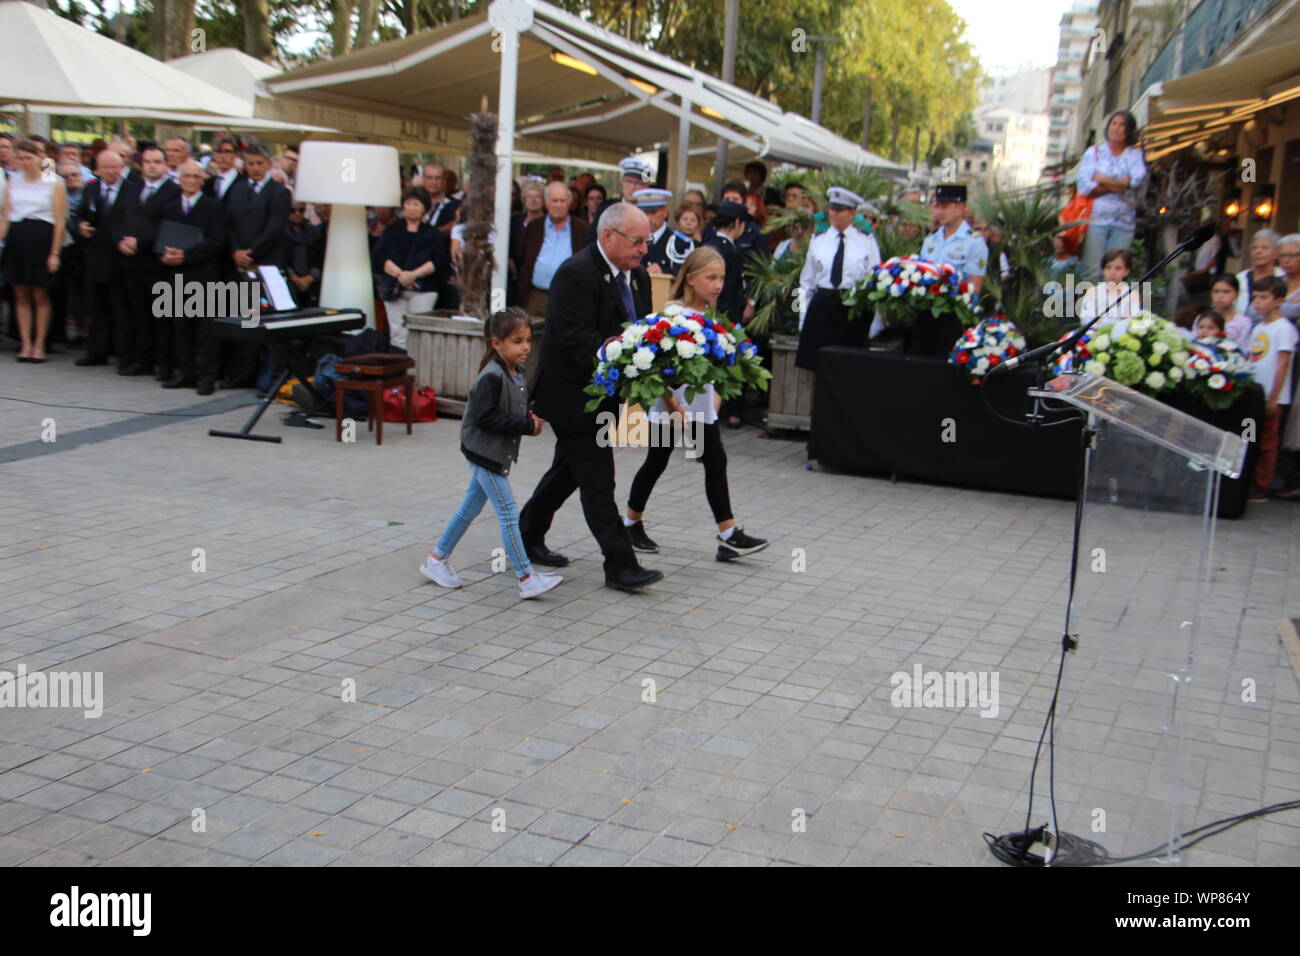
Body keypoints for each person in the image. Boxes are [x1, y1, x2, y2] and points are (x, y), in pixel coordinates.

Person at [519, 202, 664, 592]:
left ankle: (527, 532)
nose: (643, 249)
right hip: (573, 396)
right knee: (598, 480)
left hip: (608, 394)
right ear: (607, 236)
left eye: (646, 241)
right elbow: (576, 339)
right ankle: (620, 564)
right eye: (637, 241)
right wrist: (624, 362)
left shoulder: (637, 277)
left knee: (568, 472)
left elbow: (642, 330)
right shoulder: (575, 274)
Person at [623, 246, 769, 561]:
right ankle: (631, 523)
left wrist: (713, 402)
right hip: (672, 407)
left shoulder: (713, 318)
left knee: (714, 461)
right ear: (690, 279)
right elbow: (656, 368)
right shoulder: (673, 315)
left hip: (700, 409)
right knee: (658, 460)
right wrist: (674, 407)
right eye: (710, 277)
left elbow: (719, 368)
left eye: (722, 278)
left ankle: (728, 534)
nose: (718, 285)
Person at [420, 308, 563, 600]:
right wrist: (525, 425)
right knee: (509, 513)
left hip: (492, 454)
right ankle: (526, 577)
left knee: (470, 508)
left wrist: (529, 417)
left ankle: (436, 561)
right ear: (496, 343)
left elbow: (510, 408)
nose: (525, 347)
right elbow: (486, 419)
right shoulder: (492, 376)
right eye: (517, 341)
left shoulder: (515, 370)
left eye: (527, 340)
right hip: (484, 454)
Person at [222, 144, 290, 388]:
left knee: (266, 321)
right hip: (239, 264)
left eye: (260, 164)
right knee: (243, 320)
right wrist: (235, 251)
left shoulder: (279, 192)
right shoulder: (237, 190)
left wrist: (250, 253)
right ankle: (241, 373)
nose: (255, 169)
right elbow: (228, 224)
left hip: (266, 265)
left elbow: (275, 228)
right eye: (250, 164)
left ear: (269, 164)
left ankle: (269, 376)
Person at [157, 160, 228, 392]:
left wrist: (186, 255)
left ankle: (206, 377)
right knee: (181, 327)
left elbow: (217, 241)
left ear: (202, 180)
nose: (190, 181)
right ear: (178, 179)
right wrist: (165, 255)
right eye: (186, 176)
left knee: (206, 330)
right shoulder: (169, 206)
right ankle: (185, 373)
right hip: (176, 275)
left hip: (204, 275)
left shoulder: (213, 206)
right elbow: (162, 238)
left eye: (195, 177)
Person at [795, 186, 881, 374]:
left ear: (852, 213)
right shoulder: (818, 240)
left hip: (852, 310)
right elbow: (805, 284)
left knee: (849, 370)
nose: (834, 214)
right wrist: (802, 317)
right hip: (822, 309)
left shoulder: (866, 241)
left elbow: (876, 282)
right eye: (832, 209)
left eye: (840, 210)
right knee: (818, 368)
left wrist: (876, 322)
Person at [0, 140, 66, 363]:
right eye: (20, 158)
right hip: (18, 236)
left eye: (29, 158)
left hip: (42, 236)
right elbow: (6, 214)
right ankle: (25, 343)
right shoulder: (13, 180)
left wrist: (54, 252)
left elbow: (59, 220)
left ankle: (39, 344)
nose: (24, 162)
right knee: (20, 294)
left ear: (39, 157)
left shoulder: (53, 182)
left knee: (40, 293)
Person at [372, 187, 449, 351]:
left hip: (424, 289)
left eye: (416, 204)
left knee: (419, 333)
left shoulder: (432, 233)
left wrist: (413, 275)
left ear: (424, 208)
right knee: (397, 334)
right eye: (408, 204)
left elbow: (438, 260)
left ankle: (416, 372)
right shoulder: (392, 230)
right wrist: (400, 275)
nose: (412, 208)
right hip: (394, 288)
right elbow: (379, 256)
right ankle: (400, 371)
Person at [74, 148, 129, 369]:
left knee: (121, 311)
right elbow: (80, 213)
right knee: (96, 309)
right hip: (96, 257)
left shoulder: (131, 190)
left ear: (121, 168)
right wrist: (80, 226)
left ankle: (124, 355)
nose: (110, 171)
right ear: (98, 169)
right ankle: (96, 352)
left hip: (120, 259)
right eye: (106, 167)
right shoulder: (91, 189)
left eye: (114, 167)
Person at [1077, 109, 1147, 273]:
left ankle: (1112, 300)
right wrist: (1121, 185)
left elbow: (1136, 182)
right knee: (1092, 271)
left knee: (1116, 271)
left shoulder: (1135, 156)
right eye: (1113, 123)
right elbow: (1085, 186)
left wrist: (1101, 178)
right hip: (1096, 220)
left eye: (1122, 125)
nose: (1116, 128)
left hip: (1124, 222)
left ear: (1129, 130)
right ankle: (1090, 299)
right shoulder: (1094, 152)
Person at [1247, 276, 1297, 502]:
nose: (1258, 302)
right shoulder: (1258, 327)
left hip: (1272, 397)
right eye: (1255, 297)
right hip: (1255, 394)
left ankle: (1261, 486)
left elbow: (1283, 364)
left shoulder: (1284, 328)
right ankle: (1247, 480)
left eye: (1264, 297)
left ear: (1278, 300)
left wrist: (1273, 398)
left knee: (1267, 442)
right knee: (1250, 436)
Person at [517, 180, 588, 316]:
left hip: (569, 297)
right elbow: (522, 257)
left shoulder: (581, 228)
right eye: (554, 201)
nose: (558, 205)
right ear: (546, 202)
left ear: (570, 203)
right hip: (536, 296)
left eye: (563, 201)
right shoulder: (534, 227)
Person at [921, 183, 988, 294]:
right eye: (938, 206)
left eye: (945, 207)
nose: (940, 212)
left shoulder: (974, 242)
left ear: (960, 208)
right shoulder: (931, 239)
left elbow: (975, 287)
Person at [585, 157, 652, 246]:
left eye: (638, 183)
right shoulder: (606, 209)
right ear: (621, 182)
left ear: (647, 186)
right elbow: (592, 241)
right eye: (628, 181)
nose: (632, 187)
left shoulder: (652, 212)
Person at [1078, 248, 1143, 327]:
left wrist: (1101, 320)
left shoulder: (1133, 294)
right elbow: (1085, 319)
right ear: (1103, 270)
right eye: (1108, 267)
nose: (1112, 272)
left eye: (1118, 268)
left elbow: (1132, 321)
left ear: (1126, 272)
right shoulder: (1092, 291)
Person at [1237, 229, 1284, 319]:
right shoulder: (1240, 278)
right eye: (1254, 248)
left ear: (1277, 253)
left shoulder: (1285, 278)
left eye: (1264, 248)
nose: (1258, 252)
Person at [636, 188, 674, 274]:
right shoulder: (633, 241)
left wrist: (664, 271)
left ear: (665, 212)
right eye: (644, 212)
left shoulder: (678, 243)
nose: (648, 218)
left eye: (653, 212)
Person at [1210, 275, 1251, 352]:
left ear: (1236, 294)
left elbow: (1243, 349)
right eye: (1216, 291)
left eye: (1226, 292)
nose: (1220, 296)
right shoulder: (1203, 318)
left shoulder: (1243, 322)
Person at [420, 162, 461, 237]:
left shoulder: (455, 205)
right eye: (429, 177)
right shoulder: (414, 203)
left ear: (444, 181)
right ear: (423, 179)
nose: (433, 182)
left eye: (438, 178)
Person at [203, 135, 244, 203]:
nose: (223, 156)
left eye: (227, 151)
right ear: (214, 154)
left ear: (236, 154)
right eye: (219, 151)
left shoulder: (244, 182)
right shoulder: (207, 183)